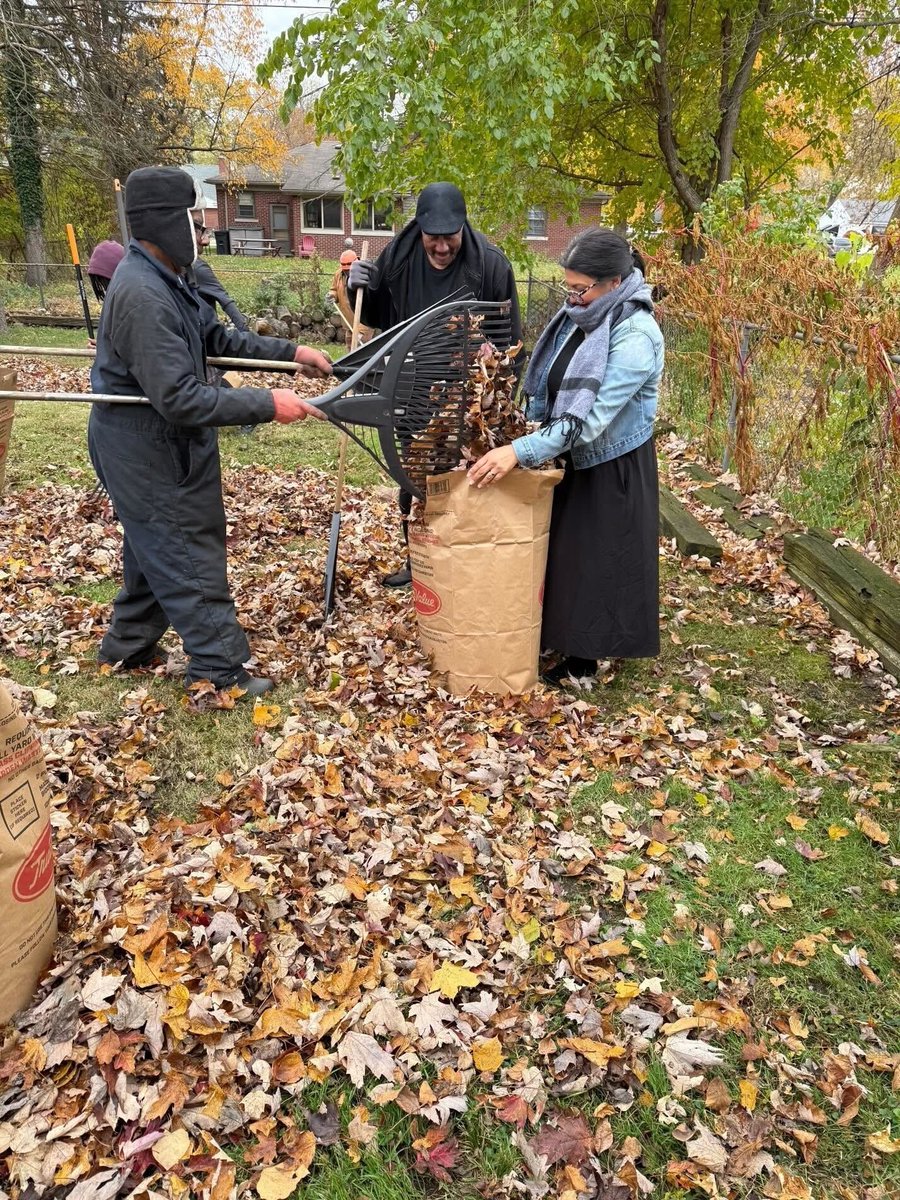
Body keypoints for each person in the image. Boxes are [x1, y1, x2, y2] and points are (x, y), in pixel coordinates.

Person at [89, 166, 333, 698]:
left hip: (156, 439)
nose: (201, 234)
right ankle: (220, 668)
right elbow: (179, 397)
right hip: (146, 445)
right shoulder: (143, 295)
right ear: (164, 222)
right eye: (193, 221)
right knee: (184, 545)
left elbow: (216, 338)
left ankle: (127, 645)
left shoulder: (168, 278)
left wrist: (292, 353)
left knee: (154, 544)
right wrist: (267, 403)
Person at [469, 228, 663, 686]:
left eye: (580, 289)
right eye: (568, 287)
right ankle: (559, 634)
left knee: (598, 560)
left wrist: (518, 451)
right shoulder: (583, 316)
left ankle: (585, 660)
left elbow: (588, 421)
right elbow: (552, 382)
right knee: (565, 553)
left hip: (611, 464)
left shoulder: (637, 334)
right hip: (566, 452)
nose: (571, 298)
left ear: (615, 282)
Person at [348, 182, 522, 587]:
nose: (442, 247)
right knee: (414, 473)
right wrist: (358, 284)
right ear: (420, 228)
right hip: (412, 384)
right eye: (433, 238)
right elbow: (374, 315)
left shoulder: (491, 264)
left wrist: (496, 375)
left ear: (463, 226)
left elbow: (511, 339)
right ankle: (420, 562)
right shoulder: (397, 258)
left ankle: (464, 564)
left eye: (450, 237)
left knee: (464, 477)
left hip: (468, 393)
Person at [190, 213, 249, 332]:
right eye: (197, 228)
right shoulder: (196, 267)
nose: (206, 241)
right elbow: (225, 301)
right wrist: (246, 333)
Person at [328, 249, 372, 347]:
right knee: (350, 348)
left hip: (364, 322)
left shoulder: (365, 274)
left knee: (362, 348)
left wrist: (361, 331)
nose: (347, 271)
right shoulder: (339, 274)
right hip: (349, 322)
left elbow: (372, 303)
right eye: (344, 269)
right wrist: (332, 295)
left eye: (348, 269)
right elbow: (334, 289)